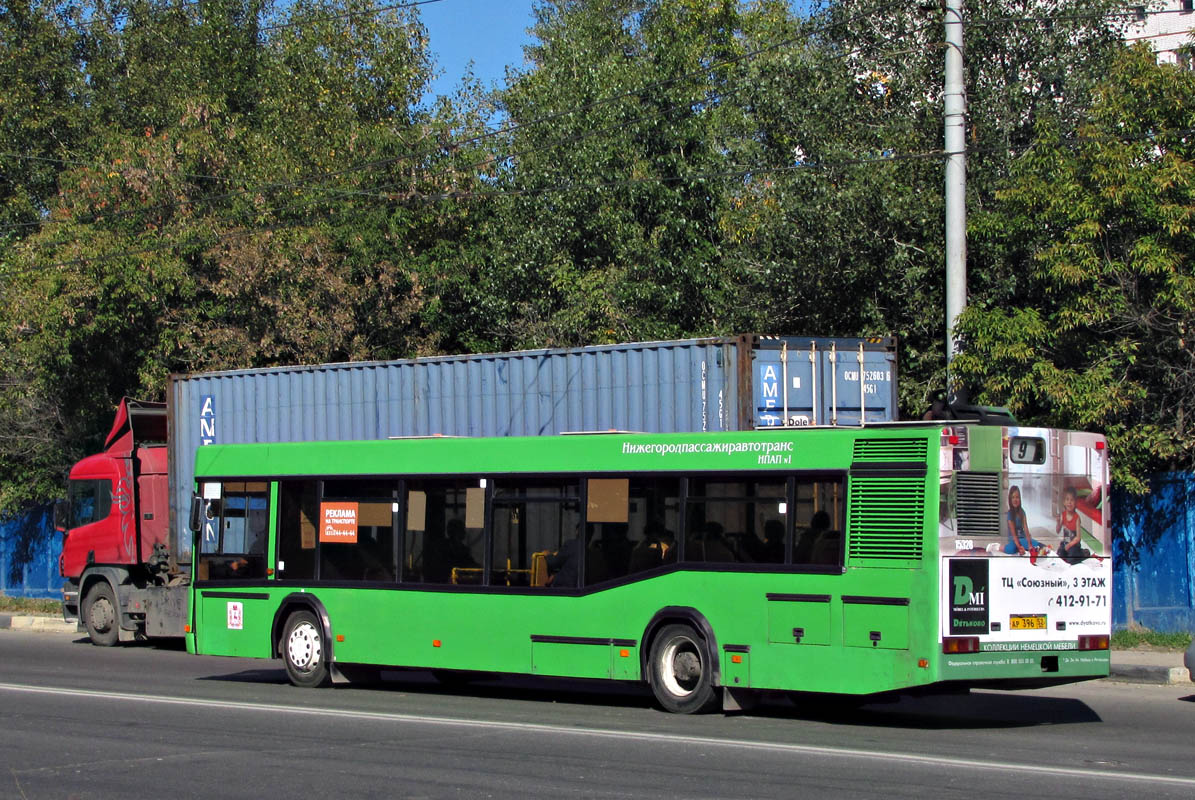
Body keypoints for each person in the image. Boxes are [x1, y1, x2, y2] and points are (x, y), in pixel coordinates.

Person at [1004, 486, 1042, 555]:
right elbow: (1014, 535)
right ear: (1010, 499)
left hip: (1023, 538)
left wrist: (1030, 544)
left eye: (1017, 497)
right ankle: (997, 547)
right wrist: (1019, 547)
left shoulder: (1022, 512)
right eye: (1013, 497)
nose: (1015, 500)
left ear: (1020, 499)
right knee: (1011, 549)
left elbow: (1026, 529)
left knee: (1038, 546)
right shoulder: (1010, 514)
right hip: (1014, 540)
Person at [1057, 487, 1090, 564]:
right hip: (1066, 542)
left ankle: (1083, 553)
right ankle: (1069, 553)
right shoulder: (1063, 515)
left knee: (1071, 560)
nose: (1069, 502)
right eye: (1067, 500)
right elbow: (1058, 530)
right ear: (1064, 502)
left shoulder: (1077, 518)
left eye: (1072, 500)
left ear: (1075, 503)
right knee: (1060, 555)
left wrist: (1070, 545)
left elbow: (1078, 537)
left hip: (1074, 544)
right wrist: (1058, 522)